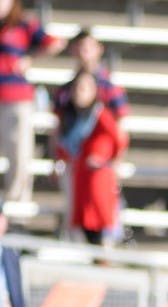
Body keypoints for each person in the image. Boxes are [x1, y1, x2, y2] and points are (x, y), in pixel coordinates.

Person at [0, 0, 64, 205]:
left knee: (18, 152)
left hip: (15, 98)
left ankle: (16, 206)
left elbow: (54, 42)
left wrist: (29, 58)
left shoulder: (24, 25)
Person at [53, 70, 128, 247]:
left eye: (86, 88)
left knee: (100, 219)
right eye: (77, 87)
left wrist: (111, 160)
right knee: (80, 222)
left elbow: (119, 138)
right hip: (79, 175)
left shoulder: (100, 114)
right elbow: (63, 147)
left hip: (97, 176)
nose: (80, 92)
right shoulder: (69, 118)